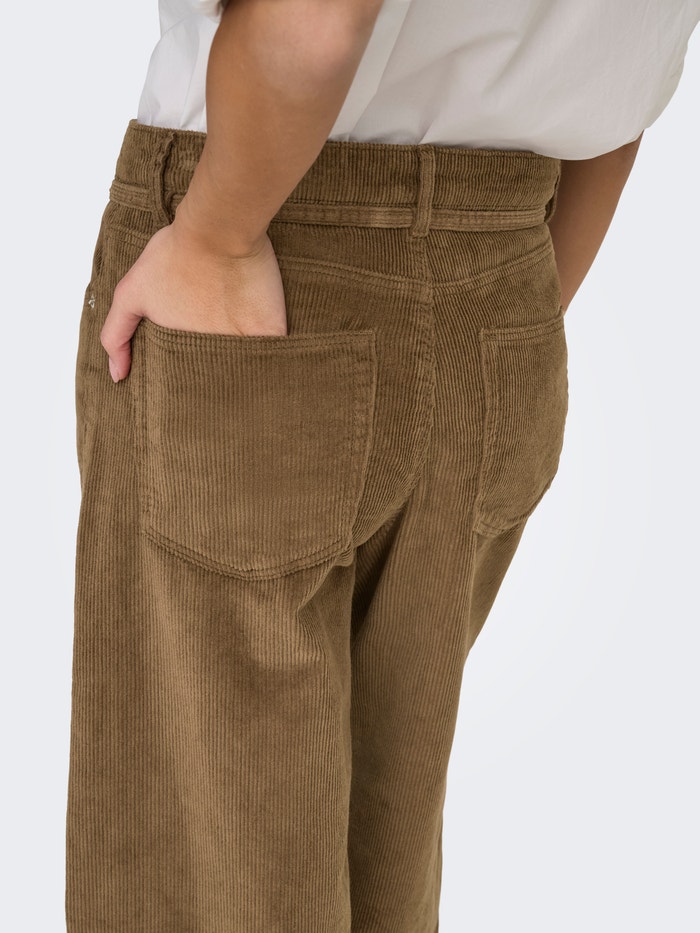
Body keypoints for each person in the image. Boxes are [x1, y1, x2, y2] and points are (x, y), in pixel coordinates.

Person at [66, 1, 700, 930]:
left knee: (206, 883)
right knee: (382, 869)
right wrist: (492, 310)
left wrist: (214, 236)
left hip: (265, 223)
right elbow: (620, 97)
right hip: (511, 277)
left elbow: (322, 19)